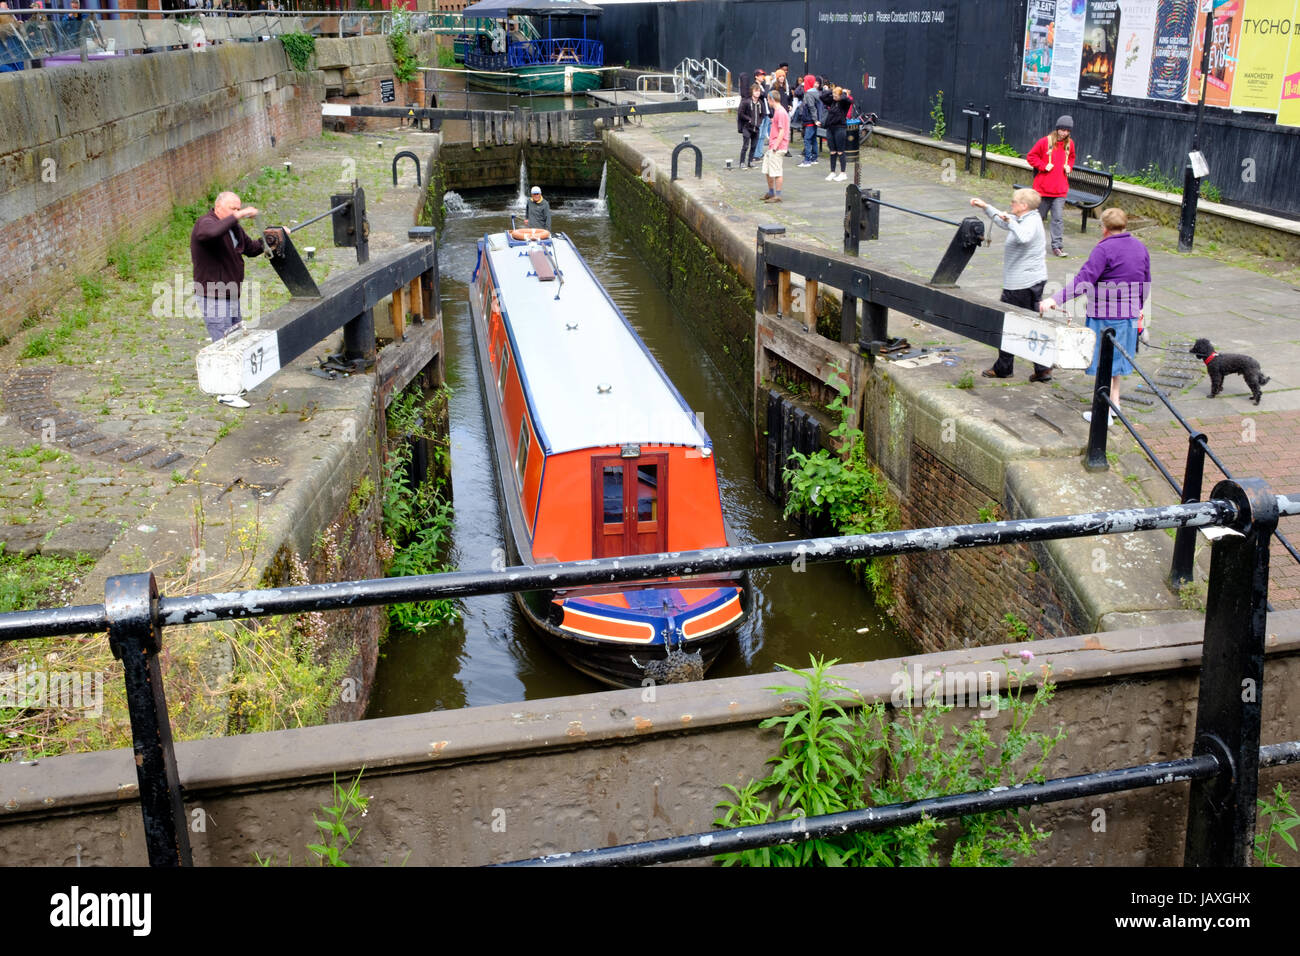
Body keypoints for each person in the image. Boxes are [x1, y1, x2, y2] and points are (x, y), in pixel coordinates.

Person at [1040, 208, 1151, 424]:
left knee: (1104, 363)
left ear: (1104, 228)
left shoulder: (1104, 249)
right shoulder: (1140, 247)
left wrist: (1055, 299)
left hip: (1105, 316)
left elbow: (1084, 280)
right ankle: (1115, 404)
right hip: (1128, 315)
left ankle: (1103, 414)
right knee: (1115, 363)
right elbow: (1145, 282)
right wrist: (1137, 309)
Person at [191, 191, 263, 408]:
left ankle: (235, 383)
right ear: (218, 206)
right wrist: (238, 216)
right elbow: (210, 234)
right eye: (232, 208)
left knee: (234, 337)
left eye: (238, 208)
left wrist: (274, 237)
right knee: (221, 341)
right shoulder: (206, 223)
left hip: (231, 292)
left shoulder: (231, 226)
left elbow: (250, 249)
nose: (236, 212)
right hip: (212, 295)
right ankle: (224, 392)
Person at [970, 188, 1051, 382]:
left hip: (1021, 285)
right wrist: (986, 207)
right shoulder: (1026, 218)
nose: (1011, 204)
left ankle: (1004, 368)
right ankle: (1042, 368)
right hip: (1030, 281)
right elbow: (1004, 222)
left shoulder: (1030, 222)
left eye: (1014, 201)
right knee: (1032, 323)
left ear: (1024, 205)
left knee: (1007, 324)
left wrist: (1010, 221)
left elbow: (1023, 236)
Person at [1026, 114, 1076, 258]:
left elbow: (1072, 157)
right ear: (1057, 129)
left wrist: (1069, 167)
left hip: (1060, 189)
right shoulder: (1044, 142)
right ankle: (1029, 243)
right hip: (1042, 189)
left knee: (1058, 219)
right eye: (1062, 130)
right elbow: (1031, 156)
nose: (1065, 133)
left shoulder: (1069, 144)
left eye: (1067, 131)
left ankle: (1057, 247)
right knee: (1037, 217)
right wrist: (1042, 166)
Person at [761, 89, 789, 203]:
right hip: (772, 145)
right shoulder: (777, 111)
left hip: (777, 147)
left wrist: (775, 146)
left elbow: (782, 131)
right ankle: (771, 192)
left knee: (776, 171)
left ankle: (778, 195)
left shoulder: (780, 112)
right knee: (767, 170)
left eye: (768, 99)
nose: (768, 102)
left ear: (771, 99)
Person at [822, 86, 853, 182]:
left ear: (840, 95)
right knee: (832, 151)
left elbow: (848, 100)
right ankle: (832, 172)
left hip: (840, 129)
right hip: (830, 128)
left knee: (840, 151)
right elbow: (822, 97)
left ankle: (843, 173)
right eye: (833, 95)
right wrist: (831, 90)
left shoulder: (844, 103)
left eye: (836, 95)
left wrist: (842, 93)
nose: (834, 96)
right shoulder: (832, 102)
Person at [795, 74, 824, 167]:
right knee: (813, 139)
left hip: (810, 120)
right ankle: (814, 158)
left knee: (807, 139)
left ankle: (807, 160)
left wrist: (814, 120)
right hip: (813, 120)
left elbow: (811, 107)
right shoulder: (816, 92)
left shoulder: (809, 93)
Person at [737, 82, 762, 169]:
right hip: (747, 127)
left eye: (759, 91)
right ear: (752, 92)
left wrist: (759, 121)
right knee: (745, 146)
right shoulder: (747, 102)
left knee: (754, 146)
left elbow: (763, 114)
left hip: (756, 128)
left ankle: (750, 161)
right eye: (756, 91)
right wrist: (749, 119)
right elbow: (740, 114)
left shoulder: (760, 103)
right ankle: (742, 162)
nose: (757, 93)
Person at [752, 69, 772, 159]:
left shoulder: (762, 85)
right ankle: (755, 154)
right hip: (760, 113)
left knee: (763, 135)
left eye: (763, 75)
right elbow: (764, 95)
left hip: (766, 113)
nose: (762, 76)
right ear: (756, 76)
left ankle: (759, 153)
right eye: (760, 75)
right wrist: (768, 83)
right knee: (758, 135)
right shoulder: (755, 86)